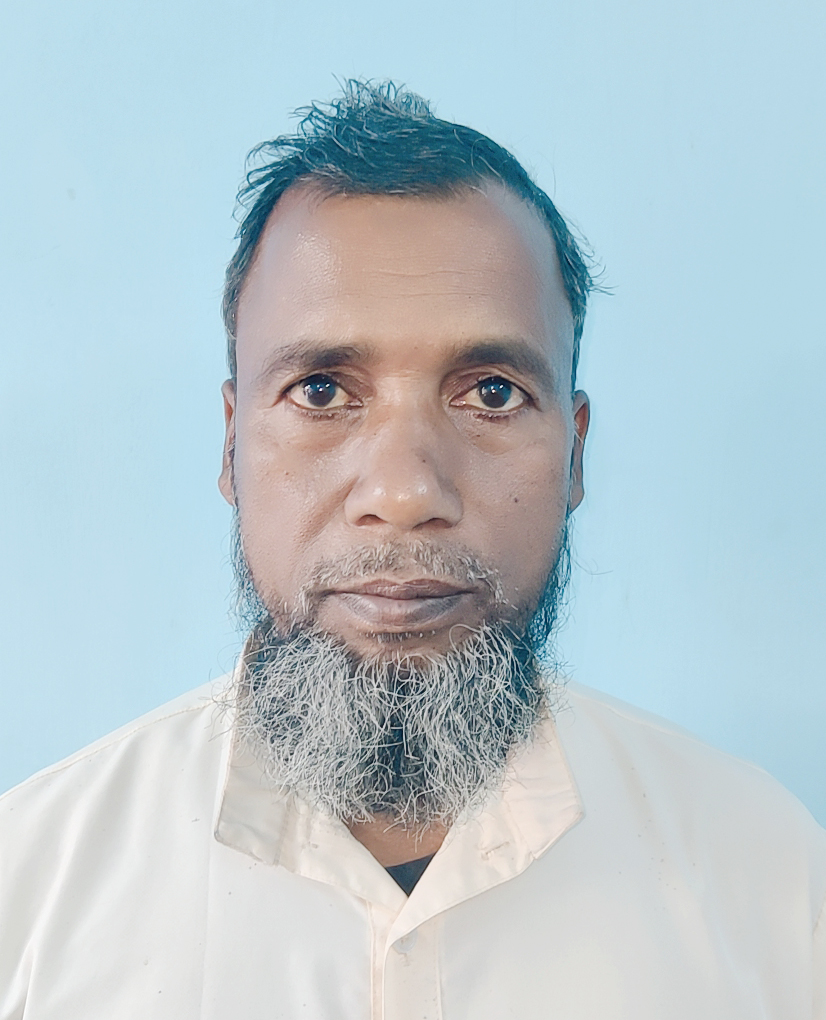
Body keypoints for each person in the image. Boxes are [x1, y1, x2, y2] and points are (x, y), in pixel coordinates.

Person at [1, 80, 824, 1019]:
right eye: (321, 391)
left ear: (576, 454)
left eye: (491, 394)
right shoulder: (26, 896)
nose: (403, 494)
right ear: (230, 445)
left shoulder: (769, 884)